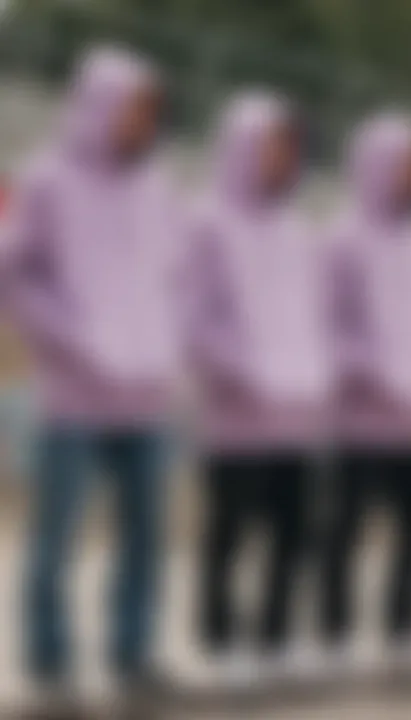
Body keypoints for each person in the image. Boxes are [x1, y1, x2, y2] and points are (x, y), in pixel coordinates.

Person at [1, 46, 179, 700]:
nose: (145, 123)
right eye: (135, 108)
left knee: (146, 539)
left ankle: (132, 660)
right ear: (100, 106)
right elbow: (12, 276)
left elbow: (175, 279)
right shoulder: (48, 181)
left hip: (145, 399)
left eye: (153, 112)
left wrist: (163, 343)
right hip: (73, 397)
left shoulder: (158, 187)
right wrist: (71, 340)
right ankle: (50, 670)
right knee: (56, 539)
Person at [183, 91, 329, 680]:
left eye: (292, 149)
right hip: (236, 418)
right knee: (230, 535)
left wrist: (310, 376)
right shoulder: (207, 221)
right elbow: (191, 316)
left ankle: (275, 640)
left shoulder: (300, 230)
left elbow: (311, 317)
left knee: (295, 535)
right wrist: (239, 372)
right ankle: (223, 643)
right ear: (242, 149)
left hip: (295, 417)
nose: (284, 160)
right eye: (272, 147)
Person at [320, 112, 411, 673]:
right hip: (359, 421)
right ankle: (335, 635)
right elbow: (323, 325)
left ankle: (402, 634)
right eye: (409, 165)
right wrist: (372, 372)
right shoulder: (342, 239)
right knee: (343, 533)